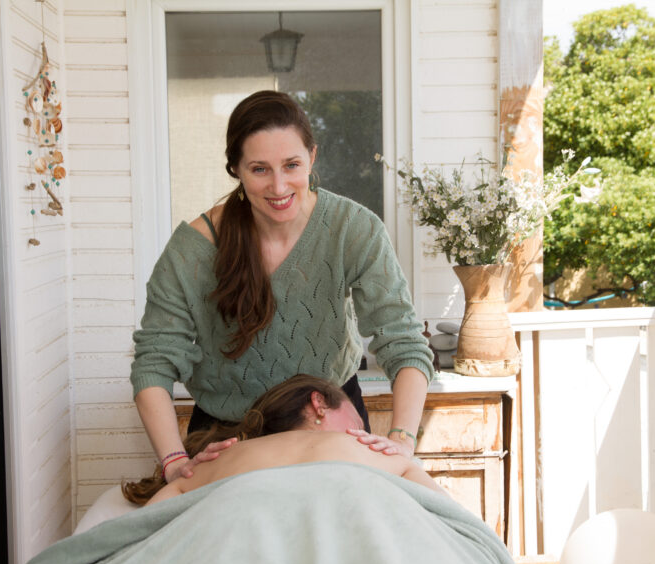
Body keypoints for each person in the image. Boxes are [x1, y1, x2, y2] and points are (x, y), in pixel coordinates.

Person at [130, 90, 434, 484]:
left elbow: (404, 343)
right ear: (236, 169)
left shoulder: (353, 229)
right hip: (228, 439)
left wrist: (403, 440)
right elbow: (153, 362)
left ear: (312, 157)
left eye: (291, 165)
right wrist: (173, 462)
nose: (278, 186)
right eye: (259, 169)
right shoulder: (193, 249)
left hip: (329, 431)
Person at [122, 375, 445, 506]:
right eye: (359, 424)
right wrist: (401, 451)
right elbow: (451, 516)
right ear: (319, 403)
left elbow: (149, 525)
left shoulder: (221, 458)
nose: (365, 433)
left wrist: (176, 466)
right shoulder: (366, 450)